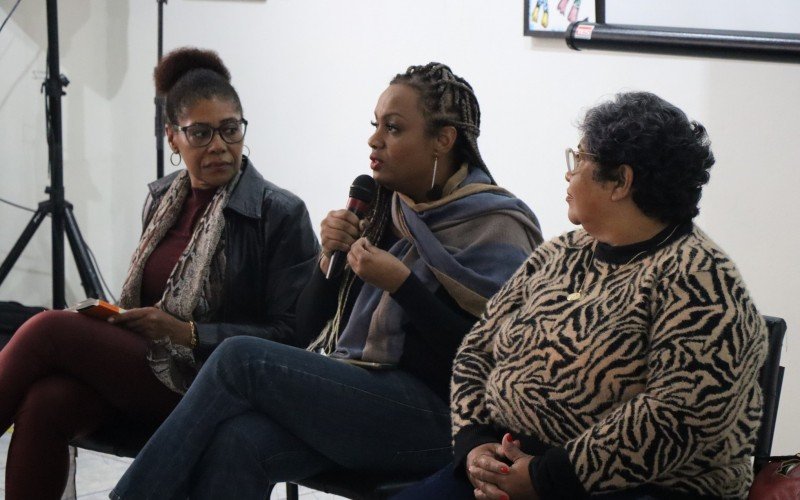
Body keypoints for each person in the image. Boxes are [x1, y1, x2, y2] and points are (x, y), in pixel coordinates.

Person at [110, 62, 543, 500]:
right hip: (362, 395)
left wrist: (403, 287)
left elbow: (493, 360)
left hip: (447, 422)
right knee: (240, 439)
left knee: (241, 358)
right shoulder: (386, 209)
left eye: (393, 128)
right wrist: (327, 259)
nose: (374, 140)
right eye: (376, 126)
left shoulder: (498, 225)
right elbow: (307, 330)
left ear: (443, 140)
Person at [395, 91, 768, 500]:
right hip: (510, 469)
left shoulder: (701, 279)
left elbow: (680, 417)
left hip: (634, 490)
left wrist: (545, 478)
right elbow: (477, 351)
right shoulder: (561, 253)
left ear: (621, 182)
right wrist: (475, 446)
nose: (568, 176)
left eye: (580, 160)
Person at [0, 47, 318, 500]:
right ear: (173, 138)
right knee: (46, 401)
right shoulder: (162, 200)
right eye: (201, 133)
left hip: (217, 383)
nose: (219, 146)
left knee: (50, 329)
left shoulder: (280, 213)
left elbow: (292, 338)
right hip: (154, 372)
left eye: (231, 130)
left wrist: (188, 333)